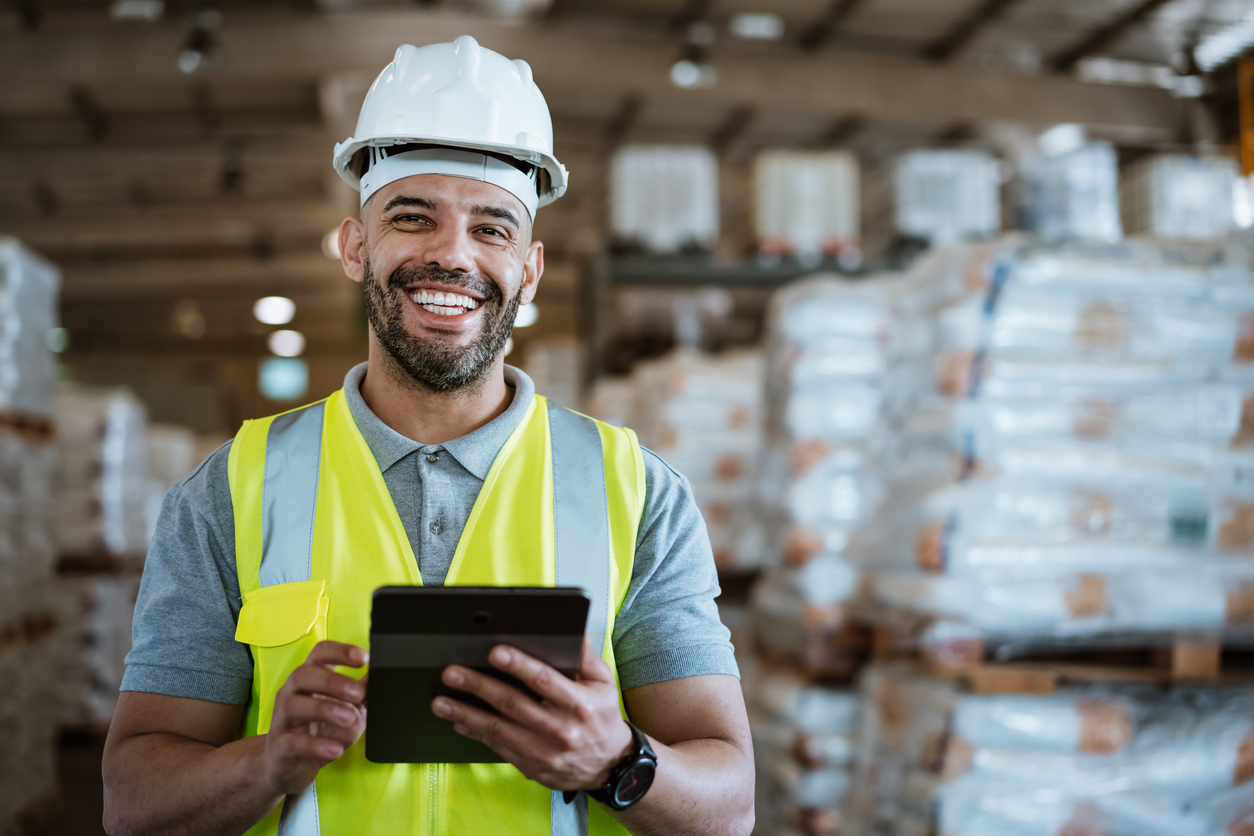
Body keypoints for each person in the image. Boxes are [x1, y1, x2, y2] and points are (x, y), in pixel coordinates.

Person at [102, 35, 754, 836]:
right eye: (413, 218)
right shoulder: (231, 490)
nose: (451, 254)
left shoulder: (635, 491)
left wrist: (616, 759)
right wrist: (267, 760)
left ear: (531, 269)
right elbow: (133, 802)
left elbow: (729, 807)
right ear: (354, 246)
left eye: (492, 228)